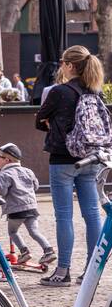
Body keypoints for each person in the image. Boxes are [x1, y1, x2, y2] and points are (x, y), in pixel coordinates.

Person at [36, 45, 105, 287]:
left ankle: (63, 271)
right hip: (90, 159)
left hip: (63, 160)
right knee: (92, 214)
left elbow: (39, 120)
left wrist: (52, 124)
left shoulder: (59, 92)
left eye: (63, 63)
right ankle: (92, 270)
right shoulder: (95, 92)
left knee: (64, 216)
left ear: (69, 66)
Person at [0, 143, 55, 266]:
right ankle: (49, 251)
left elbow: (2, 191)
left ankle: (24, 252)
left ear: (7, 160)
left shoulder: (4, 174)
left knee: (13, 232)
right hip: (31, 208)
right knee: (34, 231)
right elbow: (35, 186)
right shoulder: (28, 171)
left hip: (16, 210)